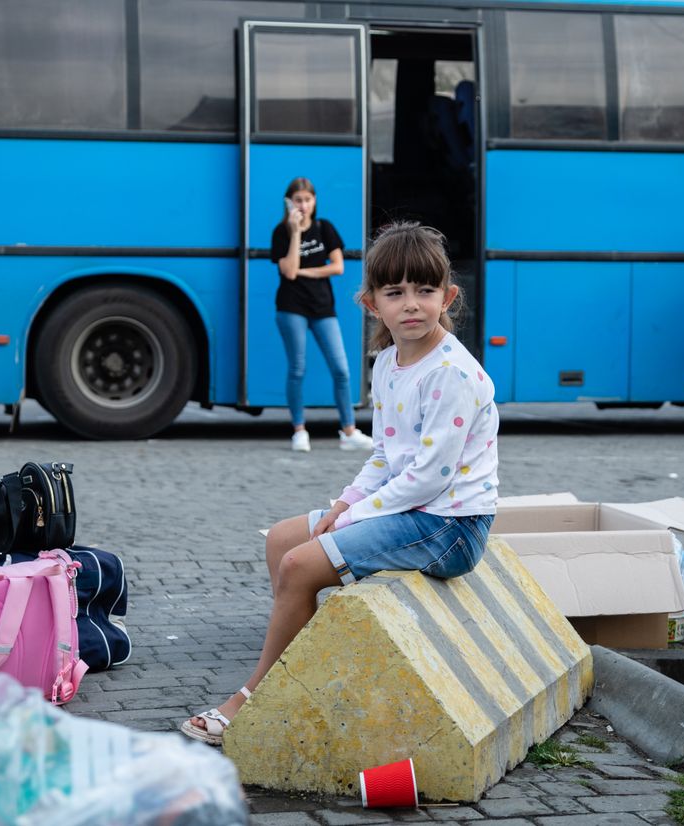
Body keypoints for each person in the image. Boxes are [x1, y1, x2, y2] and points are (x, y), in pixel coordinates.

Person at [181, 222, 499, 746]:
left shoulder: (451, 374)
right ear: (372, 303)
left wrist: (348, 520)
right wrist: (344, 501)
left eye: (425, 291)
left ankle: (252, 697)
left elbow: (425, 479)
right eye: (395, 293)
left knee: (299, 563)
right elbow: (384, 453)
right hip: (413, 511)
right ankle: (297, 666)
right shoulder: (389, 362)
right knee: (285, 538)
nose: (412, 305)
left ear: (449, 296)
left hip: (451, 527)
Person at [270, 177, 372, 453]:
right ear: (289, 202)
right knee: (297, 369)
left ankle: (348, 431)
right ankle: (299, 431)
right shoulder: (281, 232)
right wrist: (294, 233)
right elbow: (289, 271)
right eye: (298, 200)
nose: (303, 205)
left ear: (314, 201)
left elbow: (337, 267)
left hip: (323, 307)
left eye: (307, 199)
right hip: (291, 308)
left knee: (341, 369)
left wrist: (304, 272)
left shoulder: (324, 228)